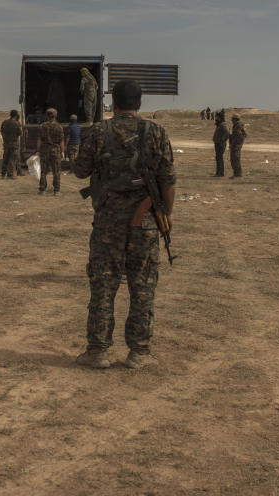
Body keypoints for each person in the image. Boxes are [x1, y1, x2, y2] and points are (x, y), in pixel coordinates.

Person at [73, 80, 176, 369]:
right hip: (145, 224)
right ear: (140, 104)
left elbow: (81, 172)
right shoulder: (155, 131)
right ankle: (139, 352)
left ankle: (98, 351)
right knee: (142, 286)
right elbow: (168, 179)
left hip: (108, 223)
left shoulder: (98, 132)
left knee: (103, 285)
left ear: (113, 103)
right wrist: (166, 215)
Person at [36, 107, 65, 194]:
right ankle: (56, 190)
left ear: (47, 115)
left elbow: (39, 140)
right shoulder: (59, 127)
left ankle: (42, 190)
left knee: (43, 171)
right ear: (55, 115)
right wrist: (62, 151)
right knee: (56, 171)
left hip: (44, 150)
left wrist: (38, 151)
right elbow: (61, 141)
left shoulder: (42, 126)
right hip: (55, 151)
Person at [0, 109, 22, 178]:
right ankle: (10, 174)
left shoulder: (5, 122)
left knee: (5, 158)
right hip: (14, 144)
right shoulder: (17, 123)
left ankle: (3, 174)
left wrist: (5, 138)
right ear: (16, 115)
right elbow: (20, 133)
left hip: (6, 143)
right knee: (12, 159)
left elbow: (1, 131)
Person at [229, 113, 246, 178]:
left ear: (235, 119)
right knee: (233, 160)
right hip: (234, 145)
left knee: (236, 160)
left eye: (232, 119)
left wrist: (239, 144)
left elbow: (242, 136)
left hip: (236, 146)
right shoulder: (235, 126)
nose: (231, 120)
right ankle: (236, 173)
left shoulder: (238, 126)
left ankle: (238, 174)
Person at [212, 109, 229, 177]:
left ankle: (220, 173)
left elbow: (227, 133)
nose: (215, 118)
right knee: (218, 158)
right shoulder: (219, 124)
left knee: (219, 158)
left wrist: (222, 141)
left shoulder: (223, 124)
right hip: (217, 144)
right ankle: (219, 173)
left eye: (216, 117)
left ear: (219, 117)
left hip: (220, 144)